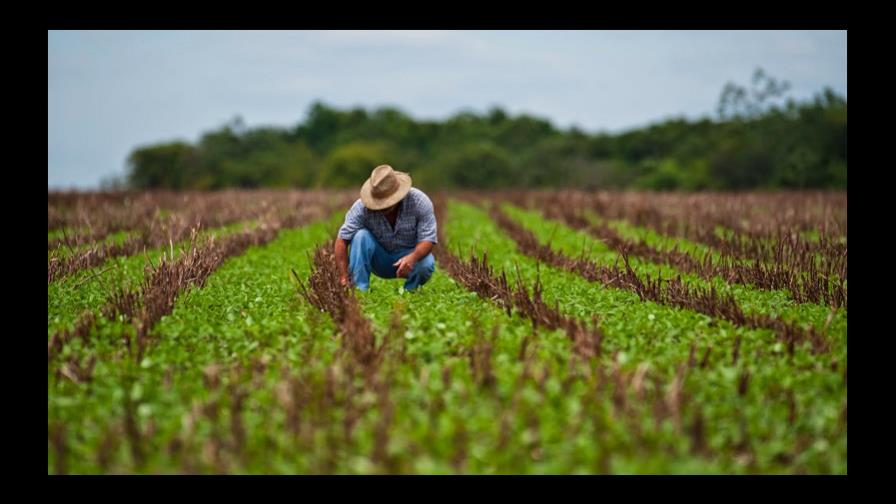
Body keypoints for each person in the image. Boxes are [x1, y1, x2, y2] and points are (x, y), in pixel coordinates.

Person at [334, 164, 437, 291]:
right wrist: (344, 278)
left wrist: (412, 257)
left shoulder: (420, 202)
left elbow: (428, 239)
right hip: (379, 259)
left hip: (409, 257)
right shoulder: (361, 208)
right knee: (360, 236)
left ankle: (410, 292)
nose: (383, 207)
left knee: (426, 264)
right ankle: (359, 291)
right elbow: (342, 240)